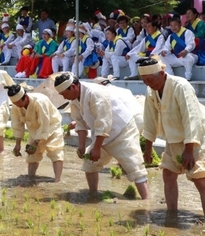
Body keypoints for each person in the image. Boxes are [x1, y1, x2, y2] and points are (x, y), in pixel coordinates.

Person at [55, 72, 149, 199]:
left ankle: (146, 202)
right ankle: (93, 194)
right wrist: (81, 146)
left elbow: (103, 122)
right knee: (89, 165)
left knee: (135, 168)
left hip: (121, 131)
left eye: (64, 94)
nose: (64, 98)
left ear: (73, 87)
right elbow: (80, 123)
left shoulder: (95, 93)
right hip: (100, 135)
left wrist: (97, 148)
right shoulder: (74, 100)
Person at [137, 57, 205, 214]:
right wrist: (147, 149)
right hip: (172, 139)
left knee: (200, 181)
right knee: (168, 174)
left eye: (150, 79)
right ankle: (172, 214)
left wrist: (189, 149)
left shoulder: (181, 86)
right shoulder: (151, 90)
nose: (148, 84)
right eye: (144, 80)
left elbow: (192, 118)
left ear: (161, 74)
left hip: (196, 138)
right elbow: (150, 119)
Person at [7, 84, 64, 182]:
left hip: (51, 127)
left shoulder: (40, 101)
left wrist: (36, 142)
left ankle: (57, 181)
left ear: (25, 97)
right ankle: (31, 178)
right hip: (34, 130)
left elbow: (44, 123)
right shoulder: (16, 105)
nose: (17, 105)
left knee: (55, 152)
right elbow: (17, 124)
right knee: (32, 156)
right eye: (14, 103)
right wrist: (17, 144)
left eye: (18, 103)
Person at [160, 16, 197, 81]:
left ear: (180, 24)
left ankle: (188, 76)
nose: (173, 27)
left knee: (188, 58)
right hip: (177, 58)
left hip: (189, 56)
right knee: (161, 56)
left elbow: (191, 44)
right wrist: (164, 51)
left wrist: (186, 50)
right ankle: (170, 76)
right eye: (171, 26)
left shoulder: (187, 32)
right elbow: (166, 47)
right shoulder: (171, 36)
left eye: (175, 25)